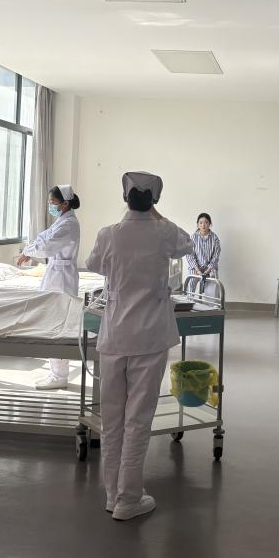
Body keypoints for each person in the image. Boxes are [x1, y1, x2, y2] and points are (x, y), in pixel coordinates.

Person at [84, 171, 195, 521]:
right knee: (138, 419)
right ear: (155, 201)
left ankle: (112, 494)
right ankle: (129, 498)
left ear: (124, 198)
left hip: (115, 335)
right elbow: (188, 244)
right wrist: (157, 216)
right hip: (150, 336)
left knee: (112, 418)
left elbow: (93, 265)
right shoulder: (164, 232)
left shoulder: (109, 234)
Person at [18, 184, 81, 390]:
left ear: (65, 203)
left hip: (62, 277)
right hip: (56, 273)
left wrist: (29, 252)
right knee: (52, 322)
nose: (50, 206)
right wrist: (28, 249)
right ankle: (56, 372)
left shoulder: (69, 225)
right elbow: (43, 237)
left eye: (53, 202)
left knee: (58, 324)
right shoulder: (62, 221)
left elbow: (47, 246)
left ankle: (59, 376)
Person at [185, 212, 221, 282]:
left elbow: (216, 256)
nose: (203, 225)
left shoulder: (215, 238)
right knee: (191, 284)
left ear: (210, 224)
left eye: (206, 222)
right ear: (197, 224)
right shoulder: (193, 237)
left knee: (213, 286)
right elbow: (189, 255)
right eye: (201, 223)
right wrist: (198, 270)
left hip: (210, 268)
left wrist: (207, 271)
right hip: (196, 267)